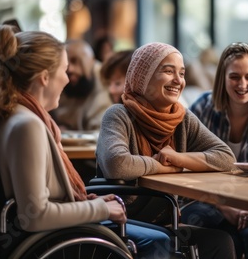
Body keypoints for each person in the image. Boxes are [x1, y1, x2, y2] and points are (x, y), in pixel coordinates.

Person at [0, 25, 174, 258]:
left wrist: (92, 204)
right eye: (64, 70)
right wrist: (100, 208)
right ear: (45, 78)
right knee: (159, 239)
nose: (67, 79)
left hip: (45, 235)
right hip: (54, 241)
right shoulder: (27, 125)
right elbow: (35, 215)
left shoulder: (9, 116)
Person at [96, 42, 238, 258]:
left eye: (181, 73)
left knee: (220, 241)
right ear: (143, 77)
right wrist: (164, 168)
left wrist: (178, 159)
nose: (178, 80)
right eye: (168, 71)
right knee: (161, 241)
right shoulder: (118, 114)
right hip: (121, 219)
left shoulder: (182, 119)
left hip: (164, 218)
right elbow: (117, 164)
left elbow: (226, 157)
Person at [182, 42, 248, 259]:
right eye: (234, 77)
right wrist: (224, 206)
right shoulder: (202, 108)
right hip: (205, 200)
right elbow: (183, 167)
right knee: (231, 235)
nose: (242, 84)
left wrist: (245, 208)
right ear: (222, 77)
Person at [52, 39, 112, 131]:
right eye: (66, 64)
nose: (70, 69)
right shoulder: (61, 83)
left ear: (92, 61)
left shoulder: (105, 80)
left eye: (75, 61)